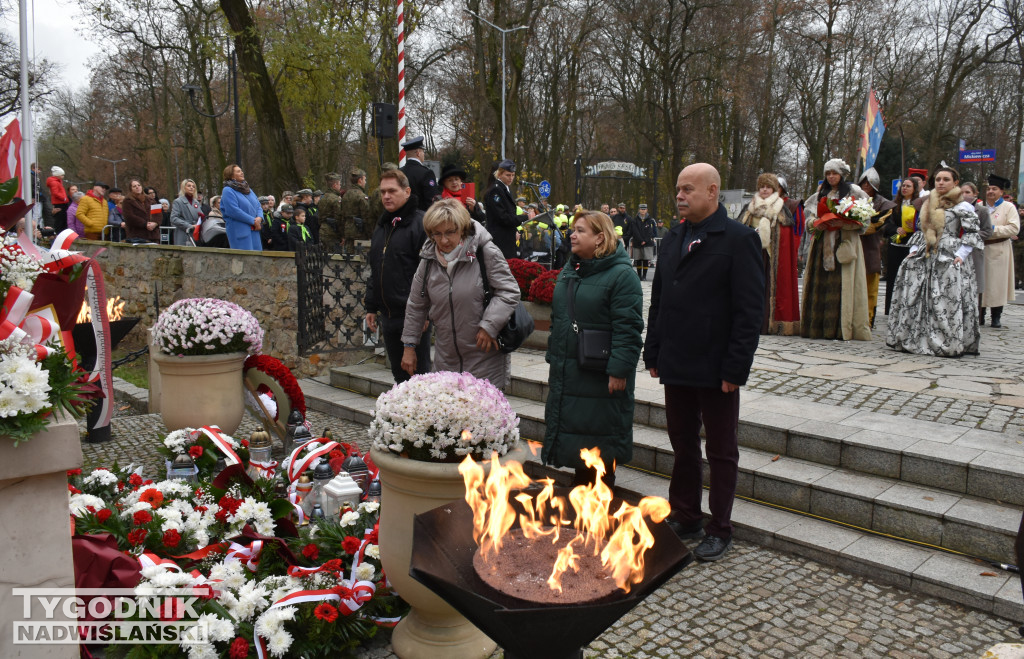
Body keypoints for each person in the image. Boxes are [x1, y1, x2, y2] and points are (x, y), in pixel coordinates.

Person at [643, 163, 764, 562]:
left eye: (688, 189)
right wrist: (653, 348)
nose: (679, 196)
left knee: (722, 451)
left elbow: (750, 311)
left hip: (716, 366)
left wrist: (735, 368)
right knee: (682, 443)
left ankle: (720, 526)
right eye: (678, 189)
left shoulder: (739, 238)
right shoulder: (674, 235)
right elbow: (660, 297)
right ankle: (687, 513)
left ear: (712, 192)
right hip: (677, 360)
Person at [544, 209, 644, 487]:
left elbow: (629, 328)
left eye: (580, 231)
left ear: (600, 238)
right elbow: (559, 317)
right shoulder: (571, 269)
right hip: (571, 371)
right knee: (580, 448)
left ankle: (599, 516)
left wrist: (619, 370)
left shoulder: (622, 276)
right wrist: (555, 352)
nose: (572, 235)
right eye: (573, 230)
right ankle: (582, 516)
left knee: (600, 449)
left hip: (602, 377)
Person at [400, 198, 519, 388]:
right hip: (445, 357)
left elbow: (509, 291)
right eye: (436, 234)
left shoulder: (485, 251)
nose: (443, 240)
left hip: (484, 356)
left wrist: (489, 325)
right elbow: (416, 304)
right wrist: (409, 346)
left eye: (450, 232)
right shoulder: (428, 259)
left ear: (462, 228)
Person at [886, 166, 982, 356]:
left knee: (945, 301)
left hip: (949, 254)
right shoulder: (927, 203)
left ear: (955, 183)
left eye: (946, 179)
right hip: (925, 252)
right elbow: (921, 231)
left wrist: (960, 256)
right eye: (938, 179)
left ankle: (945, 340)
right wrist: (913, 250)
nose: (941, 183)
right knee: (916, 295)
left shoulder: (963, 206)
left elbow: (972, 234)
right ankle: (914, 337)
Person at [364, 169, 432, 383]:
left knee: (419, 378)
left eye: (392, 191)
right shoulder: (383, 225)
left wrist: (427, 313)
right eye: (382, 192)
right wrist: (371, 306)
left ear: (407, 191)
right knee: (399, 376)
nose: (386, 196)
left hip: (413, 315)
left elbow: (431, 272)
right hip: (389, 315)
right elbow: (376, 267)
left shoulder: (421, 224)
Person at [801, 159, 871, 341]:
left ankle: (839, 329)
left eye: (834, 173)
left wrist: (844, 224)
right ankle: (817, 327)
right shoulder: (819, 194)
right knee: (820, 285)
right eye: (828, 173)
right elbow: (809, 220)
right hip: (821, 245)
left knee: (842, 286)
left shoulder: (855, 192)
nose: (831, 177)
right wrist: (816, 224)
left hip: (844, 244)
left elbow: (864, 222)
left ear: (842, 174)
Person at [737, 173, 800, 335]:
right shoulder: (750, 207)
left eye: (768, 187)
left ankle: (768, 322)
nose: (764, 190)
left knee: (769, 288)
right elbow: (739, 228)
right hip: (752, 254)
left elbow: (785, 234)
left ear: (774, 189)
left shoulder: (780, 208)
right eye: (762, 186)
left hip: (771, 257)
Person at [856, 168, 897, 328]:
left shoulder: (884, 204)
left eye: (869, 182)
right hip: (854, 246)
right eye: (863, 182)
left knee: (870, 287)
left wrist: (855, 227)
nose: (866, 185)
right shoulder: (853, 200)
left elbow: (877, 226)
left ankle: (867, 319)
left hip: (871, 247)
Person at [980, 174, 1019, 328]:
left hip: (999, 250)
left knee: (997, 284)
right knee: (981, 283)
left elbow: (1014, 227)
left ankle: (996, 316)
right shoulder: (980, 206)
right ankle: (980, 314)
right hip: (981, 249)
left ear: (1001, 192)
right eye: (988, 189)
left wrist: (993, 230)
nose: (990, 191)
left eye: (994, 189)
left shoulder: (1008, 207)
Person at [882, 178, 920, 316]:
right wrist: (895, 229)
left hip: (912, 245)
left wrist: (914, 227)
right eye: (903, 186)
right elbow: (885, 225)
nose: (904, 188)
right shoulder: (893, 205)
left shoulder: (918, 205)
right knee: (893, 276)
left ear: (914, 189)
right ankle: (890, 308)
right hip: (895, 242)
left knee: (909, 277)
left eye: (908, 186)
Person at [960, 182, 993, 316]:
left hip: (974, 251)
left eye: (968, 192)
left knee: (974, 283)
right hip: (958, 249)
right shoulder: (956, 208)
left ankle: (976, 314)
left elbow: (987, 231)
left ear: (975, 193)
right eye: (962, 192)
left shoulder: (982, 210)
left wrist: (971, 234)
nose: (964, 195)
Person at [220, 164, 263, 251]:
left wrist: (259, 217)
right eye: (238, 171)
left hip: (254, 230)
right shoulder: (228, 190)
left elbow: (258, 206)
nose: (242, 172)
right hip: (240, 231)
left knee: (257, 260)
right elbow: (233, 211)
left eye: (241, 170)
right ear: (232, 176)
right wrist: (253, 220)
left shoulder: (249, 190)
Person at [483, 159, 519, 259]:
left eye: (513, 175)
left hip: (507, 238)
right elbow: (503, 217)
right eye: (508, 175)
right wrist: (525, 217)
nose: (511, 178)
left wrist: (514, 230)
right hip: (500, 240)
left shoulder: (505, 189)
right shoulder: (496, 190)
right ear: (499, 174)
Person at [399, 136, 439, 211]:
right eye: (423, 151)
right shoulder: (426, 173)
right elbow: (432, 201)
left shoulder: (399, 172)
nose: (424, 154)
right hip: (421, 219)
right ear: (418, 153)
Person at [341, 168, 372, 248]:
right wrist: (370, 234)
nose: (365, 182)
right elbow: (366, 216)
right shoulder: (361, 196)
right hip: (359, 232)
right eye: (365, 179)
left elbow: (342, 215)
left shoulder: (346, 195)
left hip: (347, 230)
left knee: (349, 256)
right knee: (360, 257)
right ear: (360, 180)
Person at [627, 203, 658, 280]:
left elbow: (651, 231)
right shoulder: (635, 220)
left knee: (645, 260)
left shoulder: (651, 220)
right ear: (639, 210)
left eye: (644, 209)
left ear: (646, 210)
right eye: (641, 209)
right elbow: (635, 231)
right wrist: (641, 240)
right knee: (638, 259)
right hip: (638, 242)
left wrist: (645, 240)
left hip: (647, 243)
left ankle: (644, 276)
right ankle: (639, 275)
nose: (643, 211)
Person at [170, 178, 202, 246]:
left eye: (193, 186)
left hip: (195, 233)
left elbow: (200, 216)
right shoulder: (178, 201)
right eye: (189, 186)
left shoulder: (196, 202)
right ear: (184, 188)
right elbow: (173, 218)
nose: (191, 188)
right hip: (183, 232)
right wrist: (189, 225)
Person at [47, 166, 69, 232]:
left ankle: (60, 231)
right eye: (62, 175)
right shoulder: (55, 182)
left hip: (61, 202)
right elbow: (55, 193)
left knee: (62, 219)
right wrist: (64, 198)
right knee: (60, 220)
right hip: (60, 202)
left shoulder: (57, 182)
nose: (63, 177)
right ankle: (59, 232)